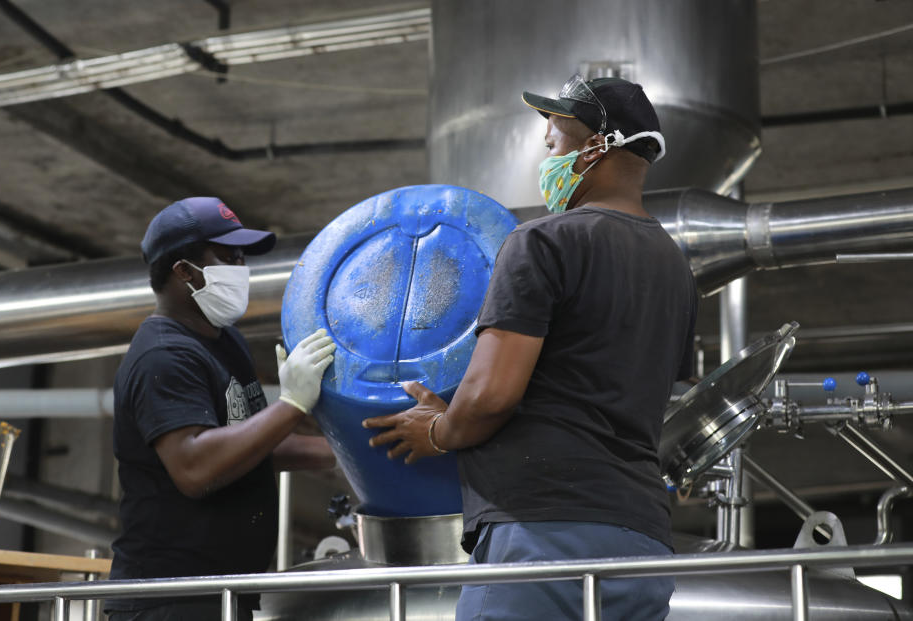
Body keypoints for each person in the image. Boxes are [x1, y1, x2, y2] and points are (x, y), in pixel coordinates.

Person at [363, 75, 697, 621]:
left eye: (557, 135)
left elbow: (492, 396)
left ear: (597, 145)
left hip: (545, 536)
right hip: (641, 541)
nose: (546, 145)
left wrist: (438, 430)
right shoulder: (674, 266)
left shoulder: (544, 241)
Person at [105, 197, 337, 621]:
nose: (241, 269)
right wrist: (291, 404)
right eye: (228, 257)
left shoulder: (225, 342)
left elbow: (247, 448)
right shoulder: (162, 355)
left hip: (225, 594)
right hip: (170, 600)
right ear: (184, 272)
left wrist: (344, 453)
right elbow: (196, 468)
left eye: (242, 257)